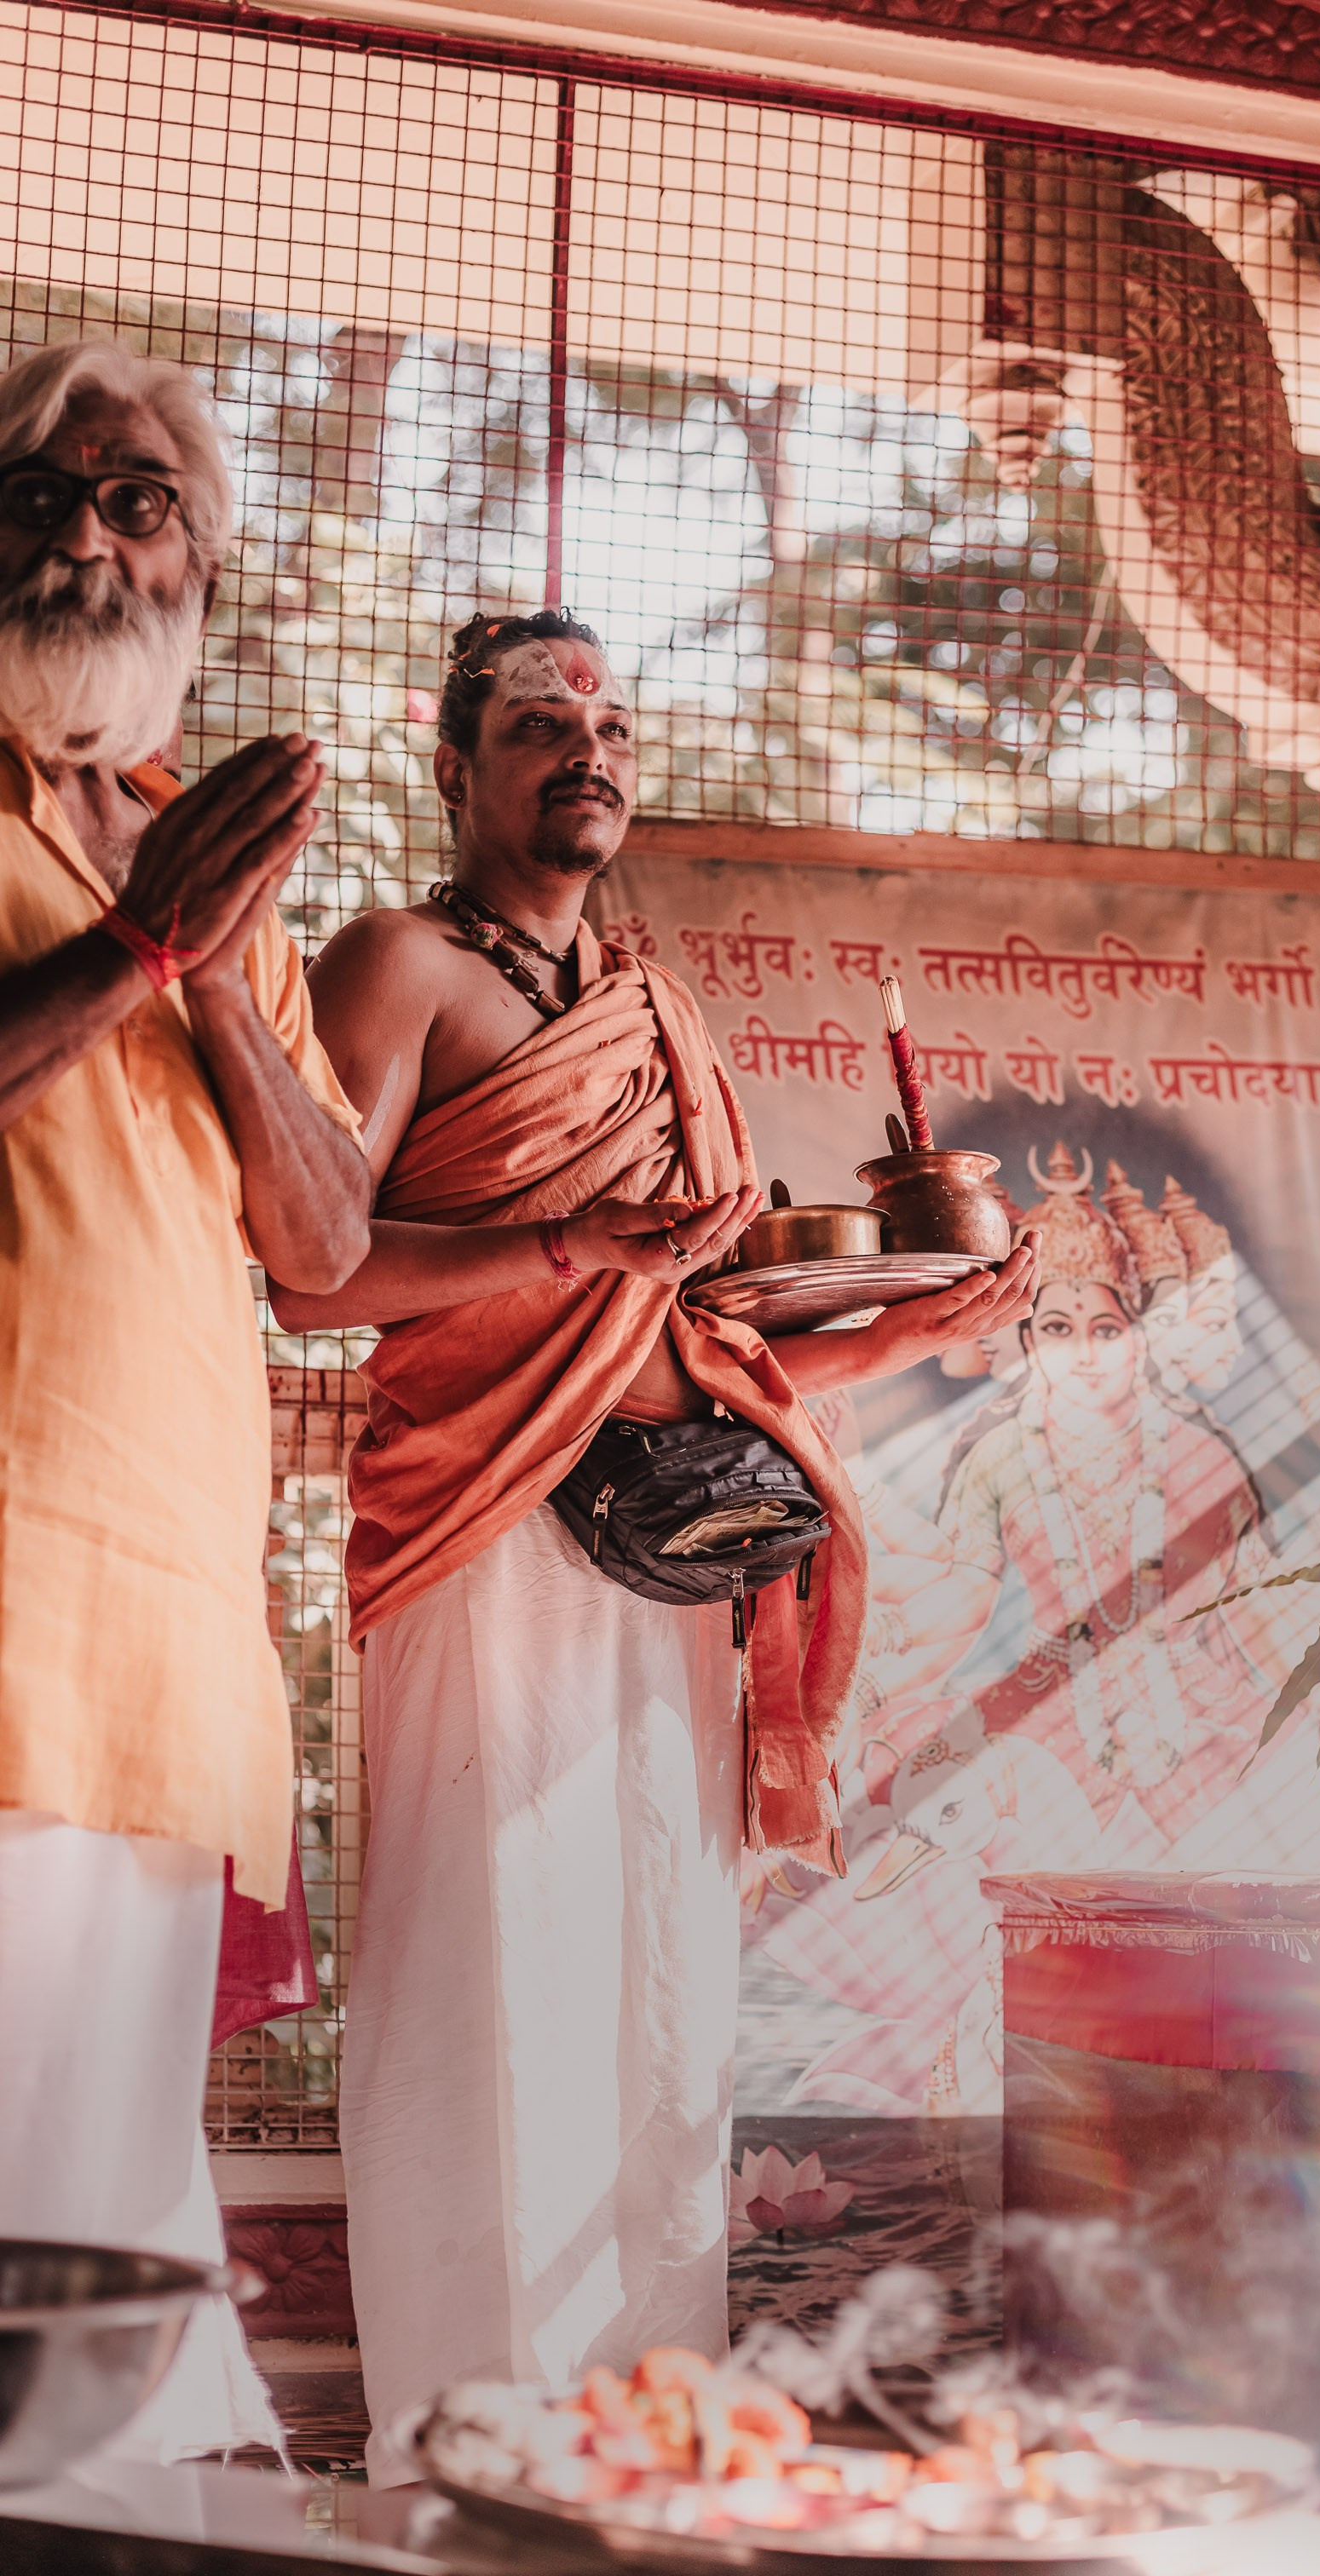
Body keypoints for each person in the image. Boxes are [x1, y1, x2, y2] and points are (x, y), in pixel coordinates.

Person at [278, 606, 1039, 2478]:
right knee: (487, 1979)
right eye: (540, 722)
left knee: (658, 1988)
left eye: (611, 722)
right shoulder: (394, 967)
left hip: (665, 1560)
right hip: (480, 1531)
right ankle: (469, 2453)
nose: (587, 749)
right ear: (455, 768)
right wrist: (560, 1251)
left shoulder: (659, 1012)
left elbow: (694, 1337)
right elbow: (313, 1273)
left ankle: (641, 2450)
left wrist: (906, 1333)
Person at [0, 338, 372, 2455]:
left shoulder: (206, 871)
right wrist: (136, 950)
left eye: (139, 504)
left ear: (198, 575)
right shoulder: (144, 887)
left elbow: (318, 1251)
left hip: (165, 1647)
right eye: (39, 493)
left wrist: (218, 967)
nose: (84, 532)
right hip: (5, 1588)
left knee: (108, 2265)